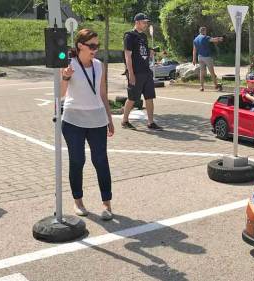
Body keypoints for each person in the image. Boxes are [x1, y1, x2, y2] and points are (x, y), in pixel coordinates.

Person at [60, 29, 114, 220]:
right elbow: (60, 93)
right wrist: (65, 77)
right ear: (80, 46)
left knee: (101, 161)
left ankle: (107, 204)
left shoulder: (99, 65)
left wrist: (109, 118)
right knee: (77, 161)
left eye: (97, 46)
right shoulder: (69, 64)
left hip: (97, 120)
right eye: (92, 46)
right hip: (73, 120)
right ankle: (78, 201)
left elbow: (102, 93)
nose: (95, 50)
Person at [122, 13, 162, 130]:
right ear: (137, 22)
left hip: (146, 71)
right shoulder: (129, 36)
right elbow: (127, 56)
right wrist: (131, 74)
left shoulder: (144, 37)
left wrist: (150, 53)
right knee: (132, 98)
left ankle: (150, 122)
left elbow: (143, 53)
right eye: (144, 22)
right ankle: (125, 121)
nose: (146, 24)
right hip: (136, 72)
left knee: (149, 97)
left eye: (146, 22)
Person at [192, 26, 224, 92]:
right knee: (212, 72)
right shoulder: (205, 37)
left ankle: (201, 87)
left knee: (202, 72)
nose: (206, 32)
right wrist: (220, 38)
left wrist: (194, 59)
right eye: (205, 31)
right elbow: (213, 40)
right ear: (204, 31)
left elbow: (194, 50)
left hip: (200, 57)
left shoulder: (195, 39)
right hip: (207, 57)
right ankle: (216, 85)